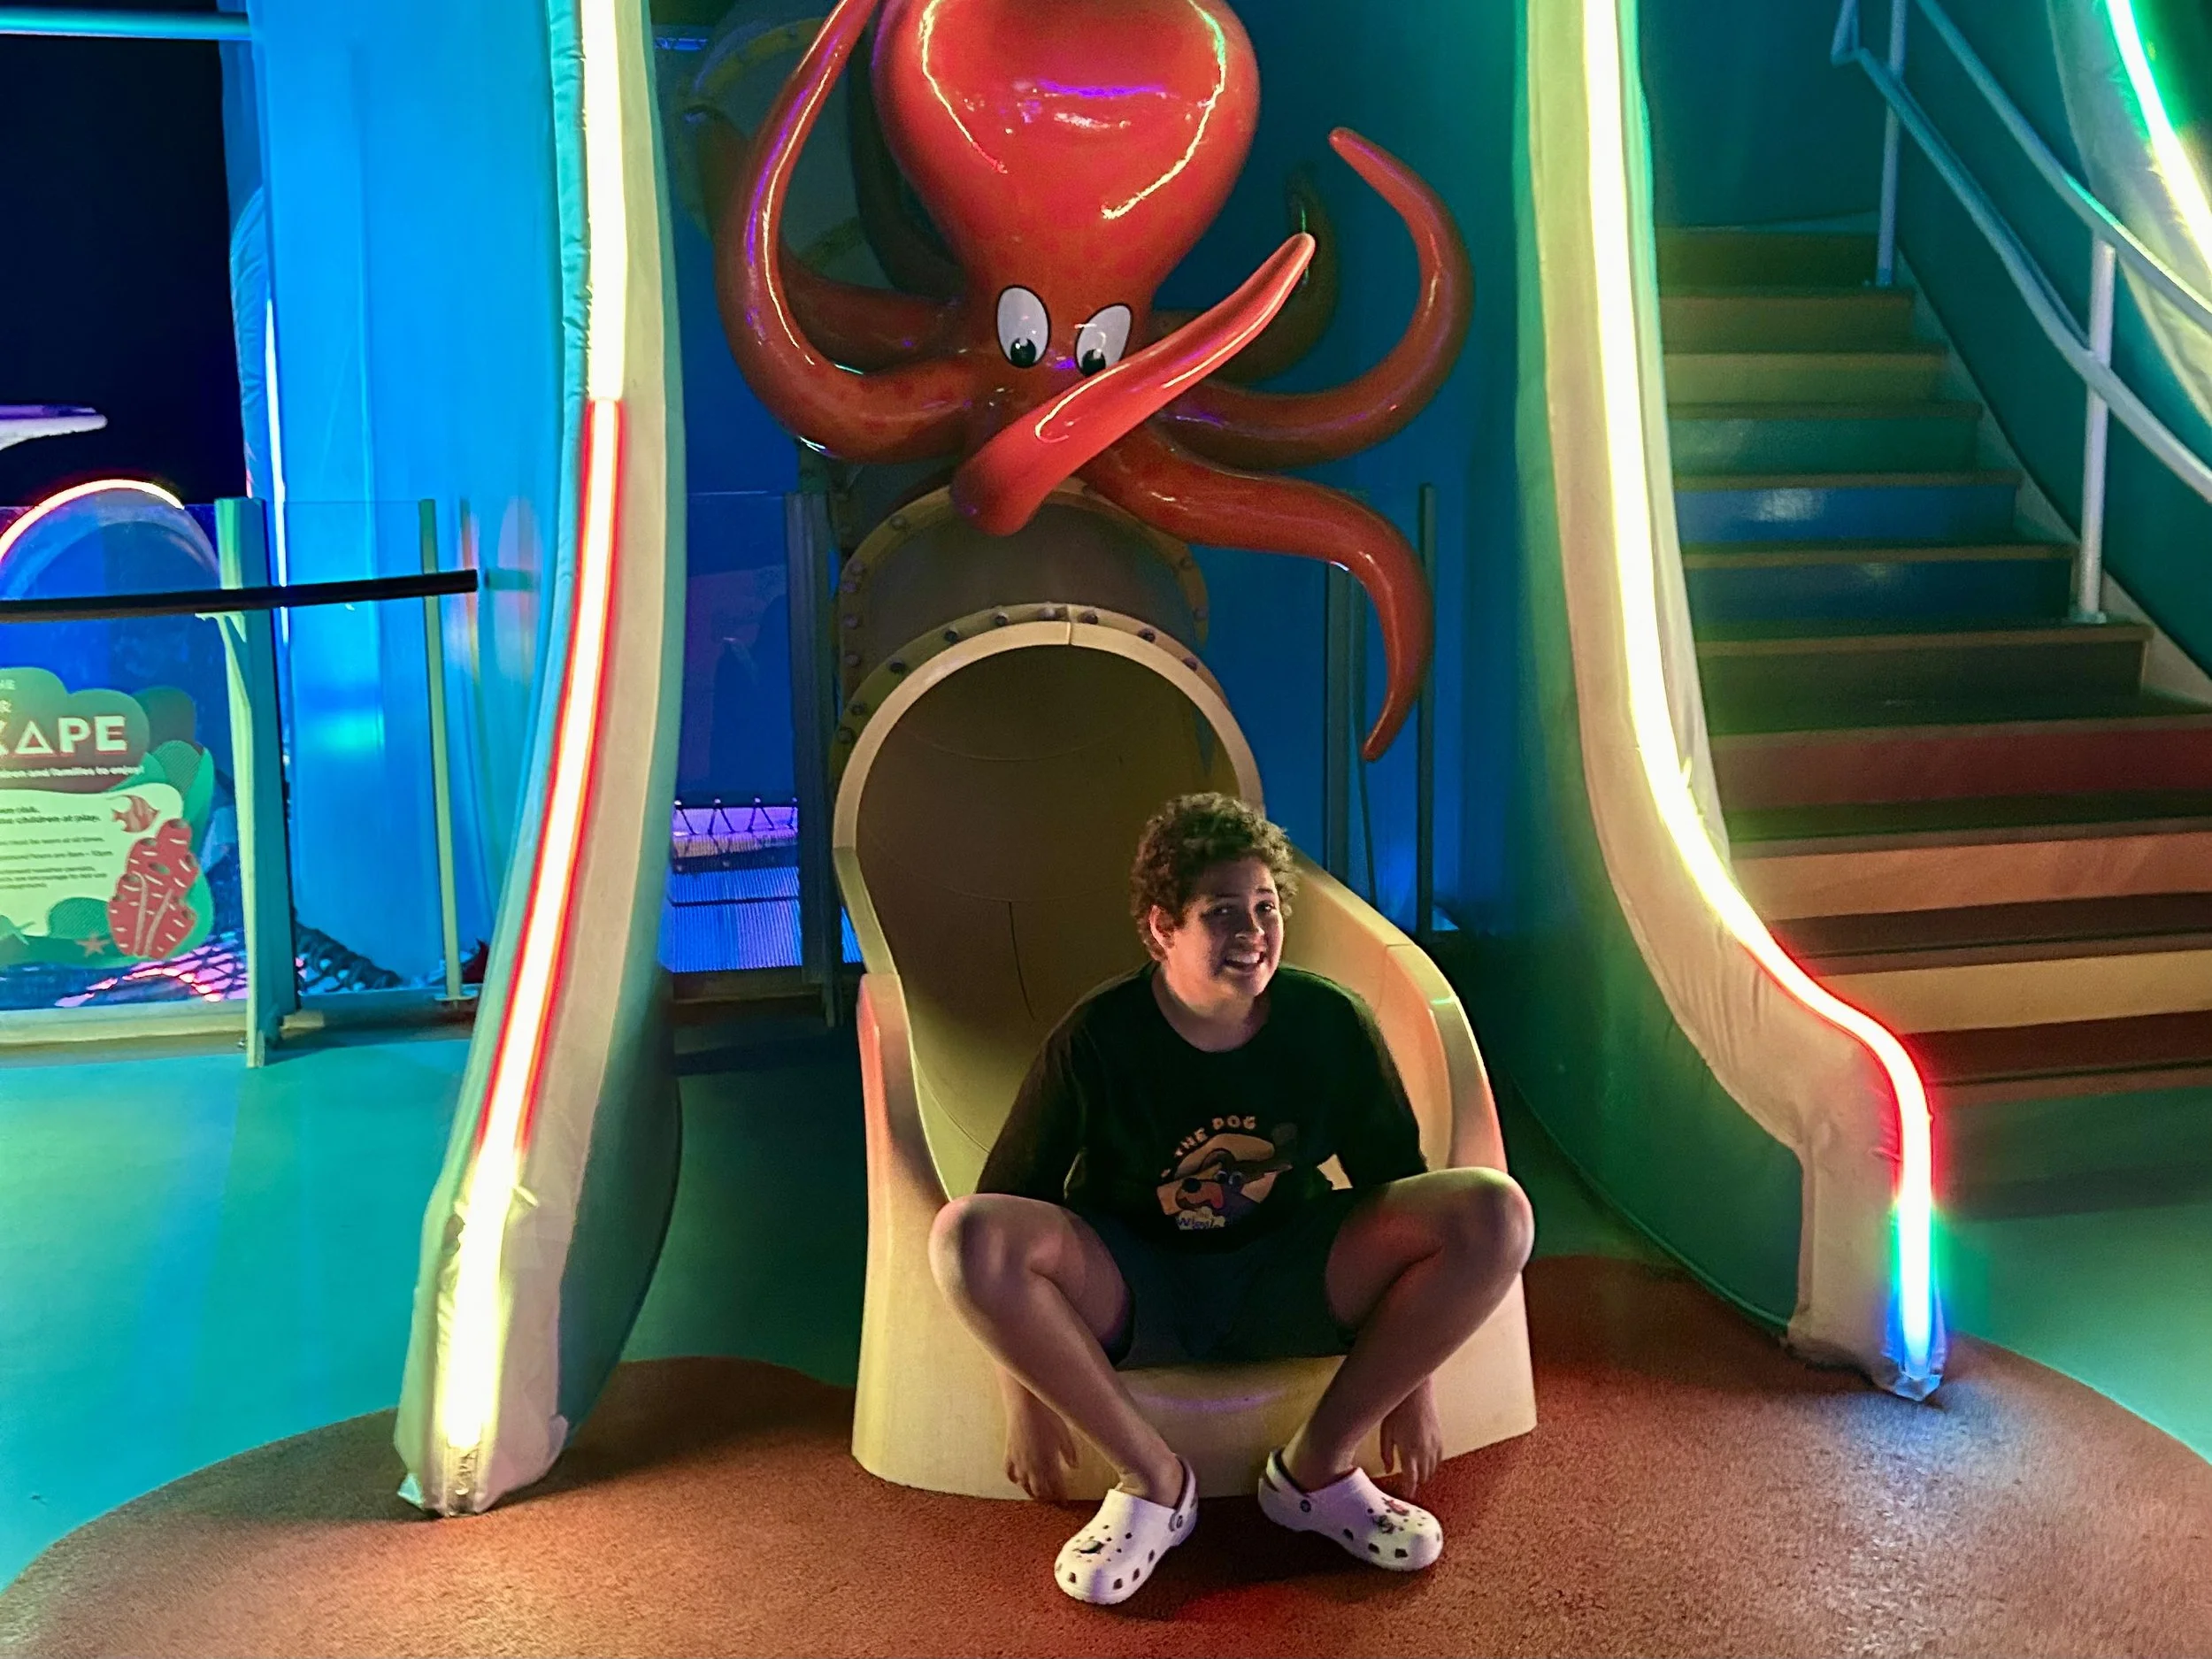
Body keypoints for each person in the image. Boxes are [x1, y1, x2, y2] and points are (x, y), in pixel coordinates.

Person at [928, 792, 1534, 1606]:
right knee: (966, 1234)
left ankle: (1316, 1470)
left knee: (1495, 1212)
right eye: (1221, 911)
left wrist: (1411, 1386)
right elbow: (1010, 1202)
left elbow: (1396, 1187)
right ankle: (1153, 1479)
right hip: (1136, 1281)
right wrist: (1026, 1398)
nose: (1252, 930)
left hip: (1290, 1270)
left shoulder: (1330, 1022)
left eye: (1265, 906)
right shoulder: (1098, 1037)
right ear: (1161, 928)